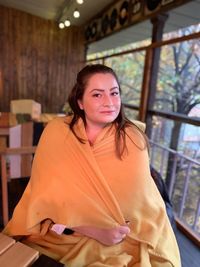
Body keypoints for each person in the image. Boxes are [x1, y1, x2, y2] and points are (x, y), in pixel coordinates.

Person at [3, 64, 181, 266]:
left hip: (123, 237)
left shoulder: (132, 139)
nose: (109, 103)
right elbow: (45, 202)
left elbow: (138, 207)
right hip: (60, 232)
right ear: (80, 102)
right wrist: (94, 231)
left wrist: (110, 232)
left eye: (114, 93)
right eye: (97, 95)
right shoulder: (56, 132)